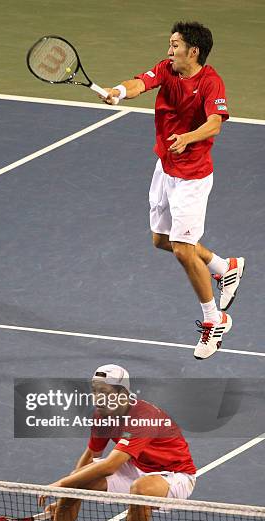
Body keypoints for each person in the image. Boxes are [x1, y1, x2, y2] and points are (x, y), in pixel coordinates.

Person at [103, 22, 244, 359]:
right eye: (170, 44)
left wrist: (188, 137)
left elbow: (214, 123)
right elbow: (140, 83)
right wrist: (118, 92)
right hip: (165, 169)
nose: (169, 51)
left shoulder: (211, 82)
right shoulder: (166, 70)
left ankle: (215, 320)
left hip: (192, 177)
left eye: (175, 45)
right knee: (161, 241)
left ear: (193, 51)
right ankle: (225, 267)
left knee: (183, 249)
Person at [17, 364, 196, 521]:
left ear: (123, 393)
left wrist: (58, 486)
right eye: (94, 391)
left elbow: (110, 465)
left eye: (104, 392)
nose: (98, 398)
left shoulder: (143, 416)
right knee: (80, 479)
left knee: (141, 489)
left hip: (174, 476)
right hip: (135, 464)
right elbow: (91, 455)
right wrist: (66, 493)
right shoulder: (102, 415)